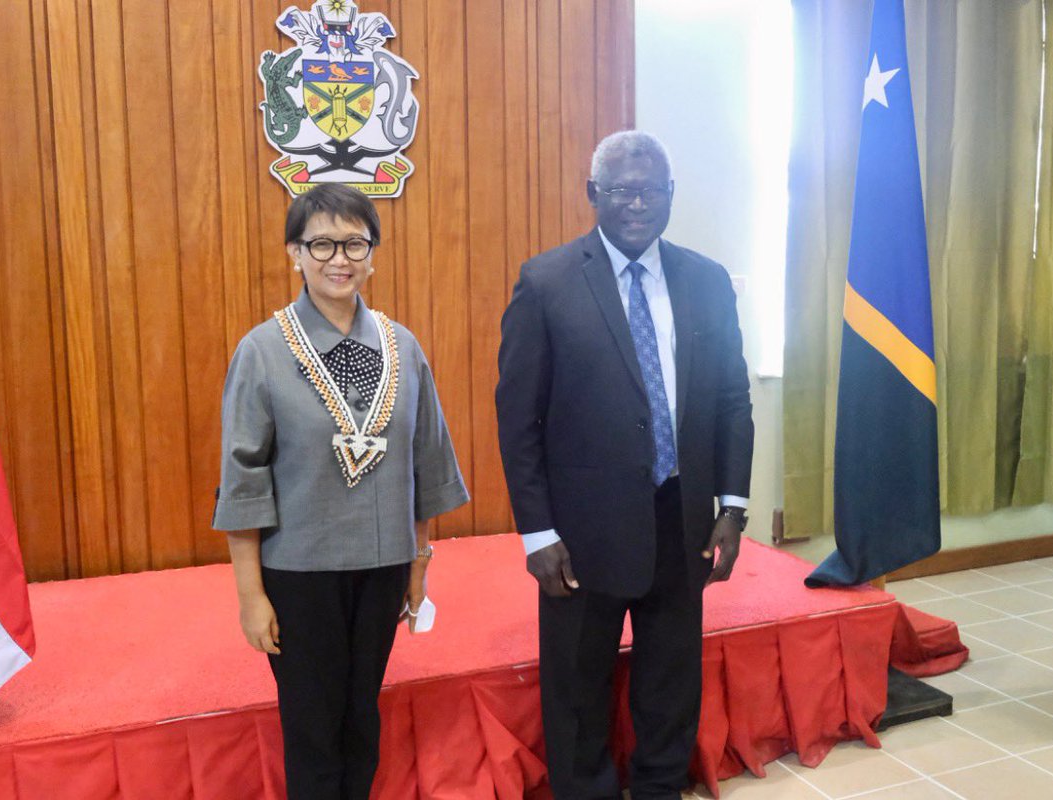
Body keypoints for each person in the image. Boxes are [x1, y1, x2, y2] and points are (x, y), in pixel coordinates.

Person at [495, 130, 754, 800]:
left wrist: (733, 504)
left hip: (683, 519)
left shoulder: (706, 280)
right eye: (621, 190)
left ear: (670, 195)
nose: (637, 203)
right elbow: (518, 420)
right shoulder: (546, 283)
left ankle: (661, 786)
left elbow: (731, 399)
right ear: (594, 196)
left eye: (651, 190)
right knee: (577, 686)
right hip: (582, 536)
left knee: (671, 679)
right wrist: (537, 533)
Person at [213, 183, 469, 800]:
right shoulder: (264, 352)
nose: (339, 257)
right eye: (320, 243)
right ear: (293, 254)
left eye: (355, 242)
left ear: (373, 253)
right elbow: (243, 481)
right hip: (299, 574)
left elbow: (422, 463)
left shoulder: (402, 347)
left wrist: (419, 563)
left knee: (361, 719)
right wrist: (251, 595)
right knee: (313, 728)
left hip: (383, 568)